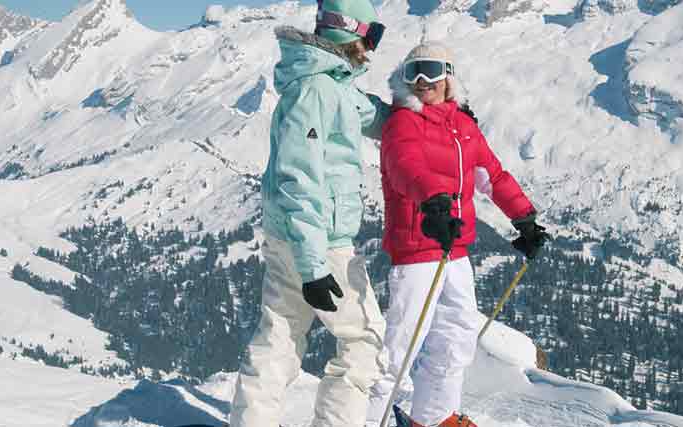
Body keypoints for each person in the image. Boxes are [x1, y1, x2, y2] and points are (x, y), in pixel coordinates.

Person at [365, 42, 550, 427]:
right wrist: (432, 201)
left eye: (430, 70)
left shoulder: (463, 127)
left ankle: (432, 416)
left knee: (458, 335)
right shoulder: (403, 122)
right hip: (418, 246)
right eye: (412, 71)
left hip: (454, 246)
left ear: (448, 76)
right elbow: (404, 166)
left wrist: (524, 218)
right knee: (401, 343)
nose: (421, 81)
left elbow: (492, 176)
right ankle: (368, 419)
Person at [228, 0, 392, 425]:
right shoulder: (316, 90)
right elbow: (299, 177)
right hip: (319, 242)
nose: (371, 47)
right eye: (370, 35)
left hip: (293, 236)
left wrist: (433, 116)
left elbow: (373, 115)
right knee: (363, 342)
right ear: (347, 31)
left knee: (280, 336)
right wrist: (314, 265)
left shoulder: (330, 85)